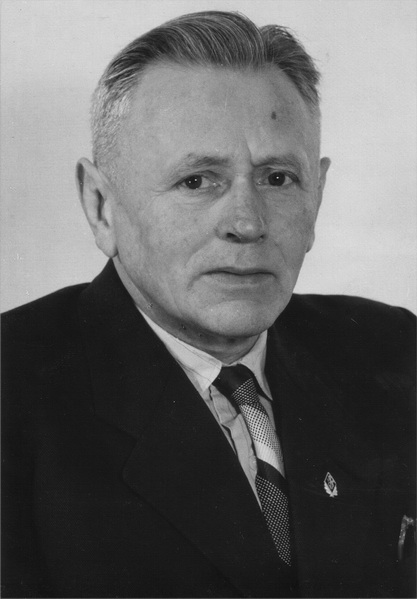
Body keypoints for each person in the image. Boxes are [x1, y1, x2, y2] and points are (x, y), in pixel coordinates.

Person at [1, 10, 415, 599]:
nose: (247, 223)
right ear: (101, 206)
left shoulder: (393, 352)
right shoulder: (13, 392)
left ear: (317, 197)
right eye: (198, 181)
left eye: (277, 178)